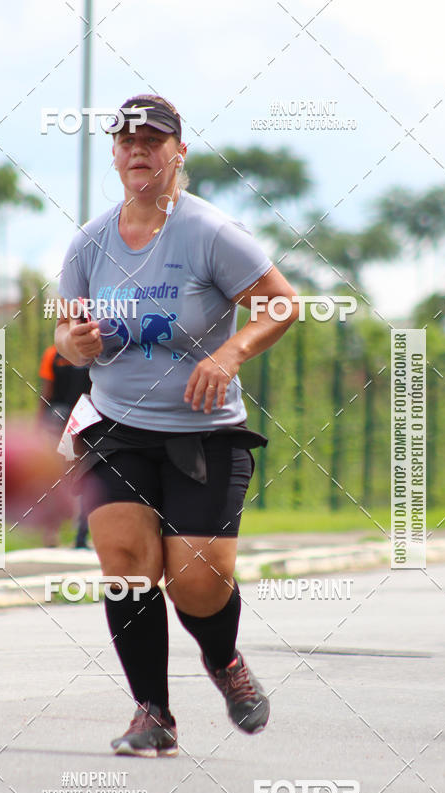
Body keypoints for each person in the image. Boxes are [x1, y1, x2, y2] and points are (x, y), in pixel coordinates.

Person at [55, 94, 298, 757]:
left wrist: (229, 352)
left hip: (204, 433)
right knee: (128, 566)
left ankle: (223, 661)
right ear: (114, 153)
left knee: (196, 578)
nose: (138, 149)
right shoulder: (90, 242)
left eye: (153, 140)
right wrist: (76, 344)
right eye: (127, 140)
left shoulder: (210, 233)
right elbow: (67, 332)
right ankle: (151, 712)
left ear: (177, 153)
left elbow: (282, 304)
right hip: (115, 427)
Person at [38, 344, 92, 548]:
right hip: (87, 414)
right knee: (85, 474)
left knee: (57, 474)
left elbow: (47, 392)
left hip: (60, 416)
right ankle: (80, 534)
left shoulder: (54, 352)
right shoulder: (94, 349)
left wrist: (40, 422)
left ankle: (51, 532)